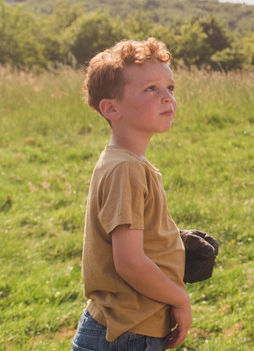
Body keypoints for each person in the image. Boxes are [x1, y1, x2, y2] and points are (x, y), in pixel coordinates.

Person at [72, 38, 190, 351]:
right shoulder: (126, 169)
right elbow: (130, 263)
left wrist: (174, 242)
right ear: (111, 108)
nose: (167, 97)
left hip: (124, 327)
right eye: (151, 89)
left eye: (170, 88)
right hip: (128, 334)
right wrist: (180, 298)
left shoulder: (124, 161)